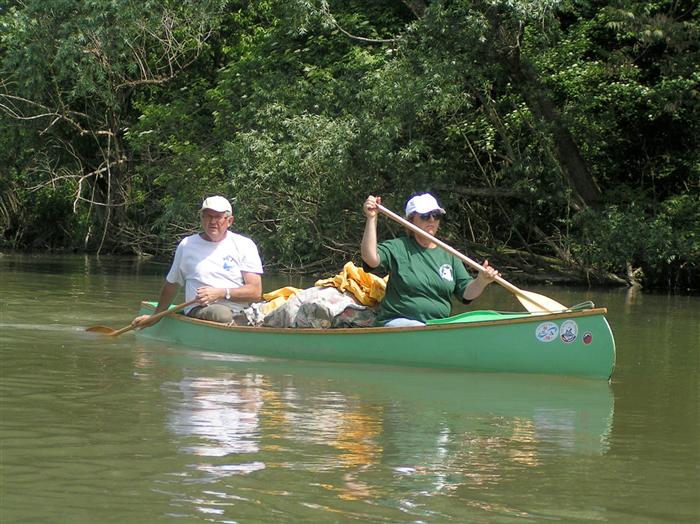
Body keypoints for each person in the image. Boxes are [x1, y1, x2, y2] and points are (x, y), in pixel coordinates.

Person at [361, 193, 500, 327]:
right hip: (399, 322)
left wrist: (482, 281)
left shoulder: (449, 254)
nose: (432, 220)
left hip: (437, 326)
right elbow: (370, 258)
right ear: (411, 220)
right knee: (419, 327)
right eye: (425, 216)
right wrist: (372, 218)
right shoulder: (398, 247)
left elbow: (466, 294)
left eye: (436, 215)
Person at [133, 195, 263, 327]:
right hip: (201, 308)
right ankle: (239, 326)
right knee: (222, 314)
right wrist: (156, 316)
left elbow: (255, 292)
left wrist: (221, 293)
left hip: (242, 311)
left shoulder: (245, 245)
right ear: (202, 218)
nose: (212, 222)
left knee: (276, 312)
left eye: (218, 217)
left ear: (229, 221)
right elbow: (172, 284)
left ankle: (246, 324)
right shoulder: (187, 245)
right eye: (208, 216)